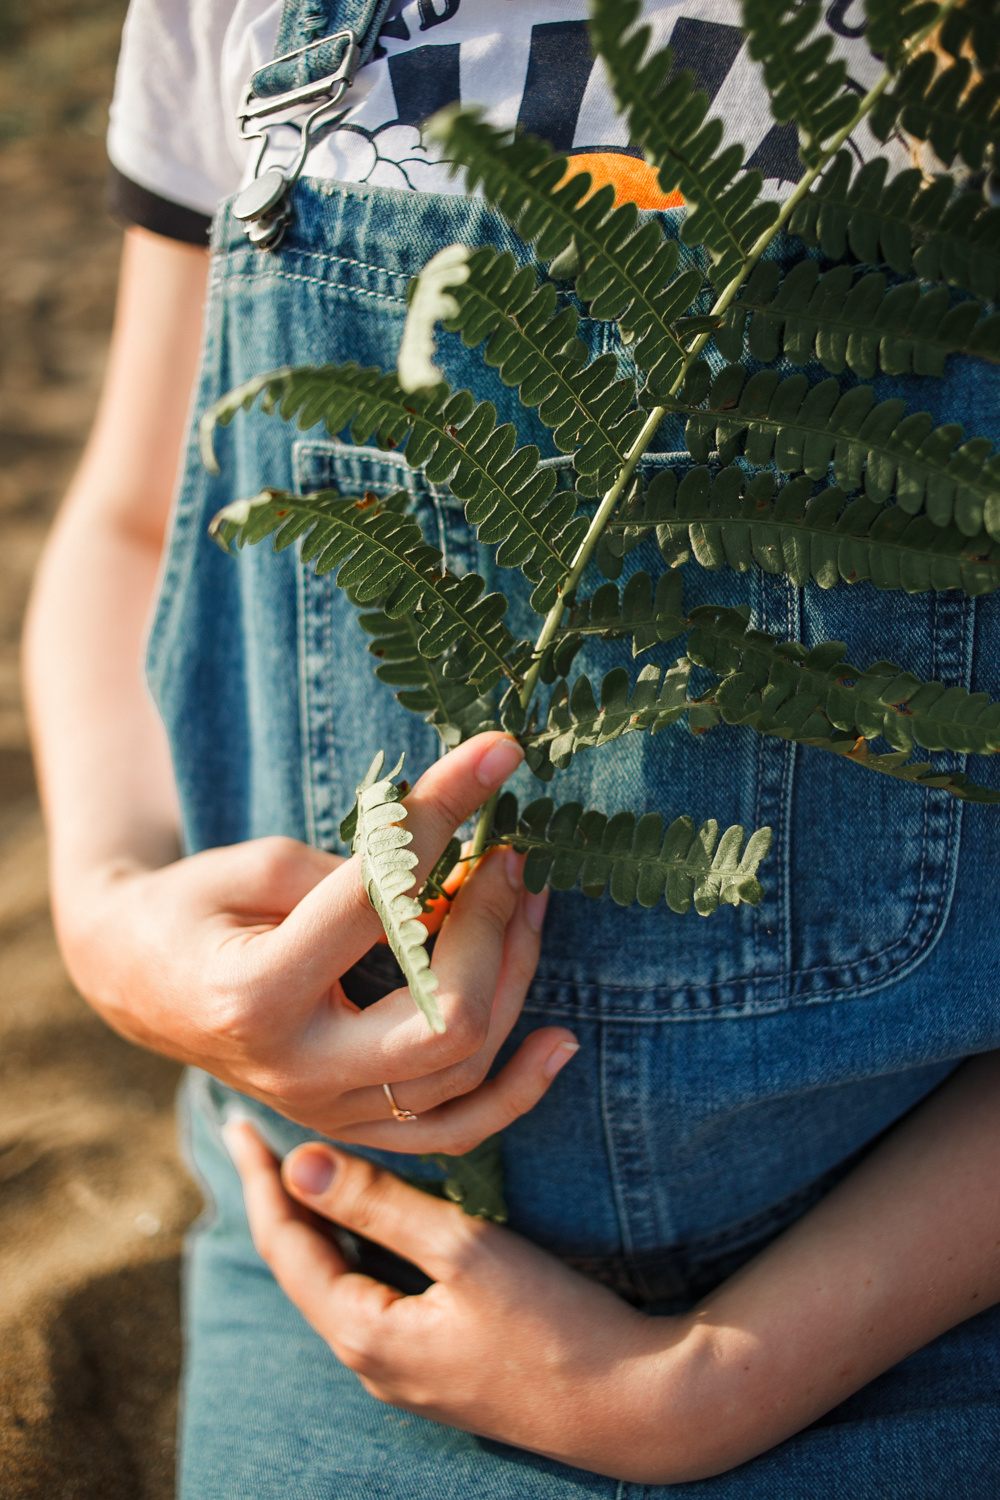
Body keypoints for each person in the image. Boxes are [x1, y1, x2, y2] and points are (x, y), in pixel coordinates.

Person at [23, 0, 1000, 1494]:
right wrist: (108, 922)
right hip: (342, 1261)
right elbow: (136, 520)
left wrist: (709, 1383)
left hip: (923, 1300)